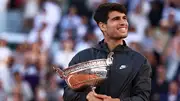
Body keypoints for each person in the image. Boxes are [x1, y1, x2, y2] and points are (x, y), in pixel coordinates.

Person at [63, 2, 151, 101]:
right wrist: (87, 97)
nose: (123, 23)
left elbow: (143, 97)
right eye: (116, 19)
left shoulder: (139, 61)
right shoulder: (82, 57)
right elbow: (68, 94)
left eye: (124, 18)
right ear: (103, 26)